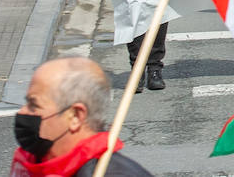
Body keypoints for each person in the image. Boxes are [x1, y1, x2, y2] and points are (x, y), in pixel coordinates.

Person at [9, 56, 155, 177]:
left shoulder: (114, 173)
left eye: (34, 105)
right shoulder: (31, 162)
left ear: (75, 116)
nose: (22, 112)